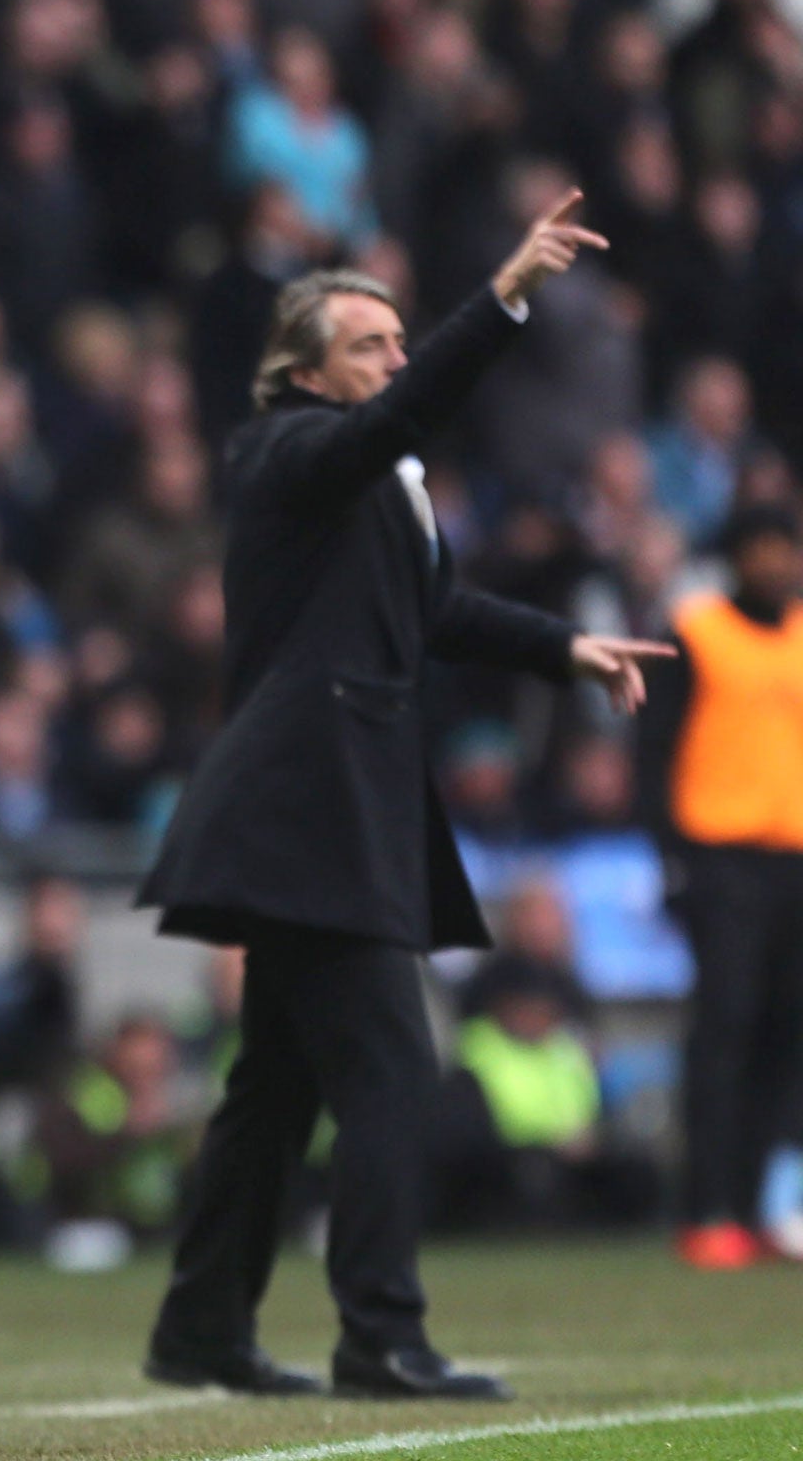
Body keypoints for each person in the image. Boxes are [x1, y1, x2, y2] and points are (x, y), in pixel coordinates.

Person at [137, 189, 671, 1400]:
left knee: (276, 1087)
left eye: (396, 336)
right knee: (389, 1068)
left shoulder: (369, 477)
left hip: (326, 804)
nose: (391, 357)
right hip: (306, 805)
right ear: (307, 373)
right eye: (367, 344)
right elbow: (412, 412)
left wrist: (562, 648)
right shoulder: (289, 451)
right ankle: (379, 1332)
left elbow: (430, 610)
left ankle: (199, 1331)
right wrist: (503, 297)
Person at [636, 502, 803, 1269]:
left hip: (794, 858)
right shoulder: (698, 631)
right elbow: (655, 752)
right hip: (721, 857)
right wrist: (670, 857)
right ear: (737, 556)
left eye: (786, 548)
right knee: (725, 1030)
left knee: (785, 1036)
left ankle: (761, 1205)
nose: (776, 562)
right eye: (762, 548)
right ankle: (705, 1207)